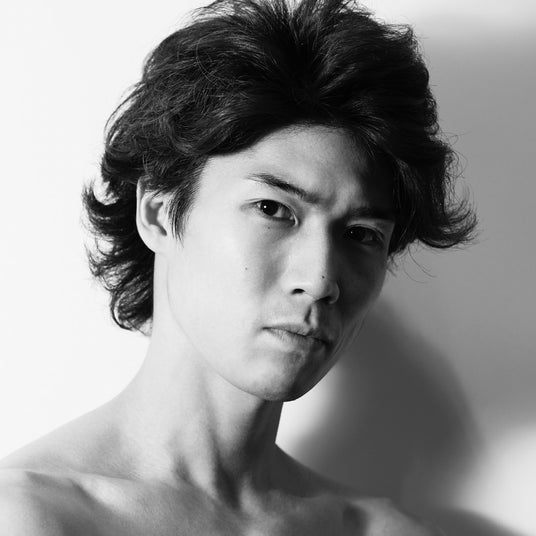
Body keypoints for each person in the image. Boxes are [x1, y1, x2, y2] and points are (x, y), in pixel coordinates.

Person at [0, 0, 475, 533]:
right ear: (158, 212)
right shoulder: (30, 516)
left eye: (362, 234)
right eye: (272, 209)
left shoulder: (380, 530)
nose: (320, 280)